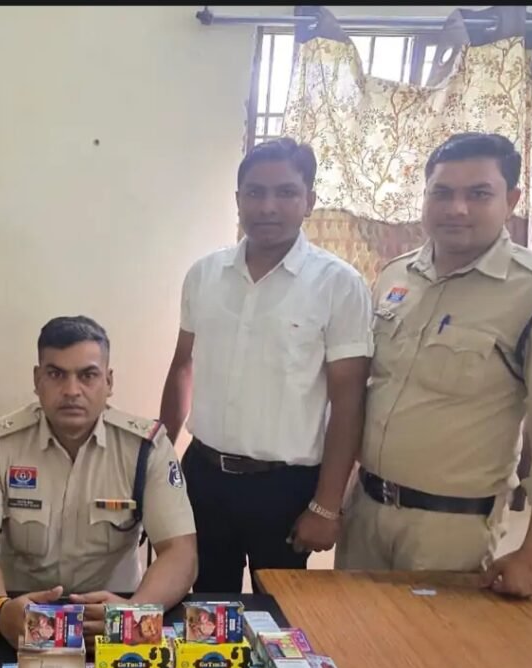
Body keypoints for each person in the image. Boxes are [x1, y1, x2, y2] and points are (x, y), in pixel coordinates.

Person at [336, 132, 532, 598]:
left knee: (431, 645)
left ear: (511, 200)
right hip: (365, 512)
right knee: (350, 637)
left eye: (478, 194)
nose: (457, 208)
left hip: (450, 529)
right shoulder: (396, 275)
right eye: (442, 192)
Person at [159, 138, 372, 593]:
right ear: (238, 200)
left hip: (286, 488)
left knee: (280, 616)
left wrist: (327, 505)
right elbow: (182, 367)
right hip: (204, 475)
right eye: (255, 192)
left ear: (309, 200)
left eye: (286, 192)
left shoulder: (339, 284)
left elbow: (349, 402)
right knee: (204, 609)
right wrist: (158, 463)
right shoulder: (205, 274)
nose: (268, 206)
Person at [0, 316, 198, 648]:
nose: (71, 391)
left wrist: (135, 612)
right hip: (20, 620)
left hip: (118, 619)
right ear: (37, 379)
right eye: (56, 374)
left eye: (88, 375)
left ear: (109, 381)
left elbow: (180, 552)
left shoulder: (146, 449)